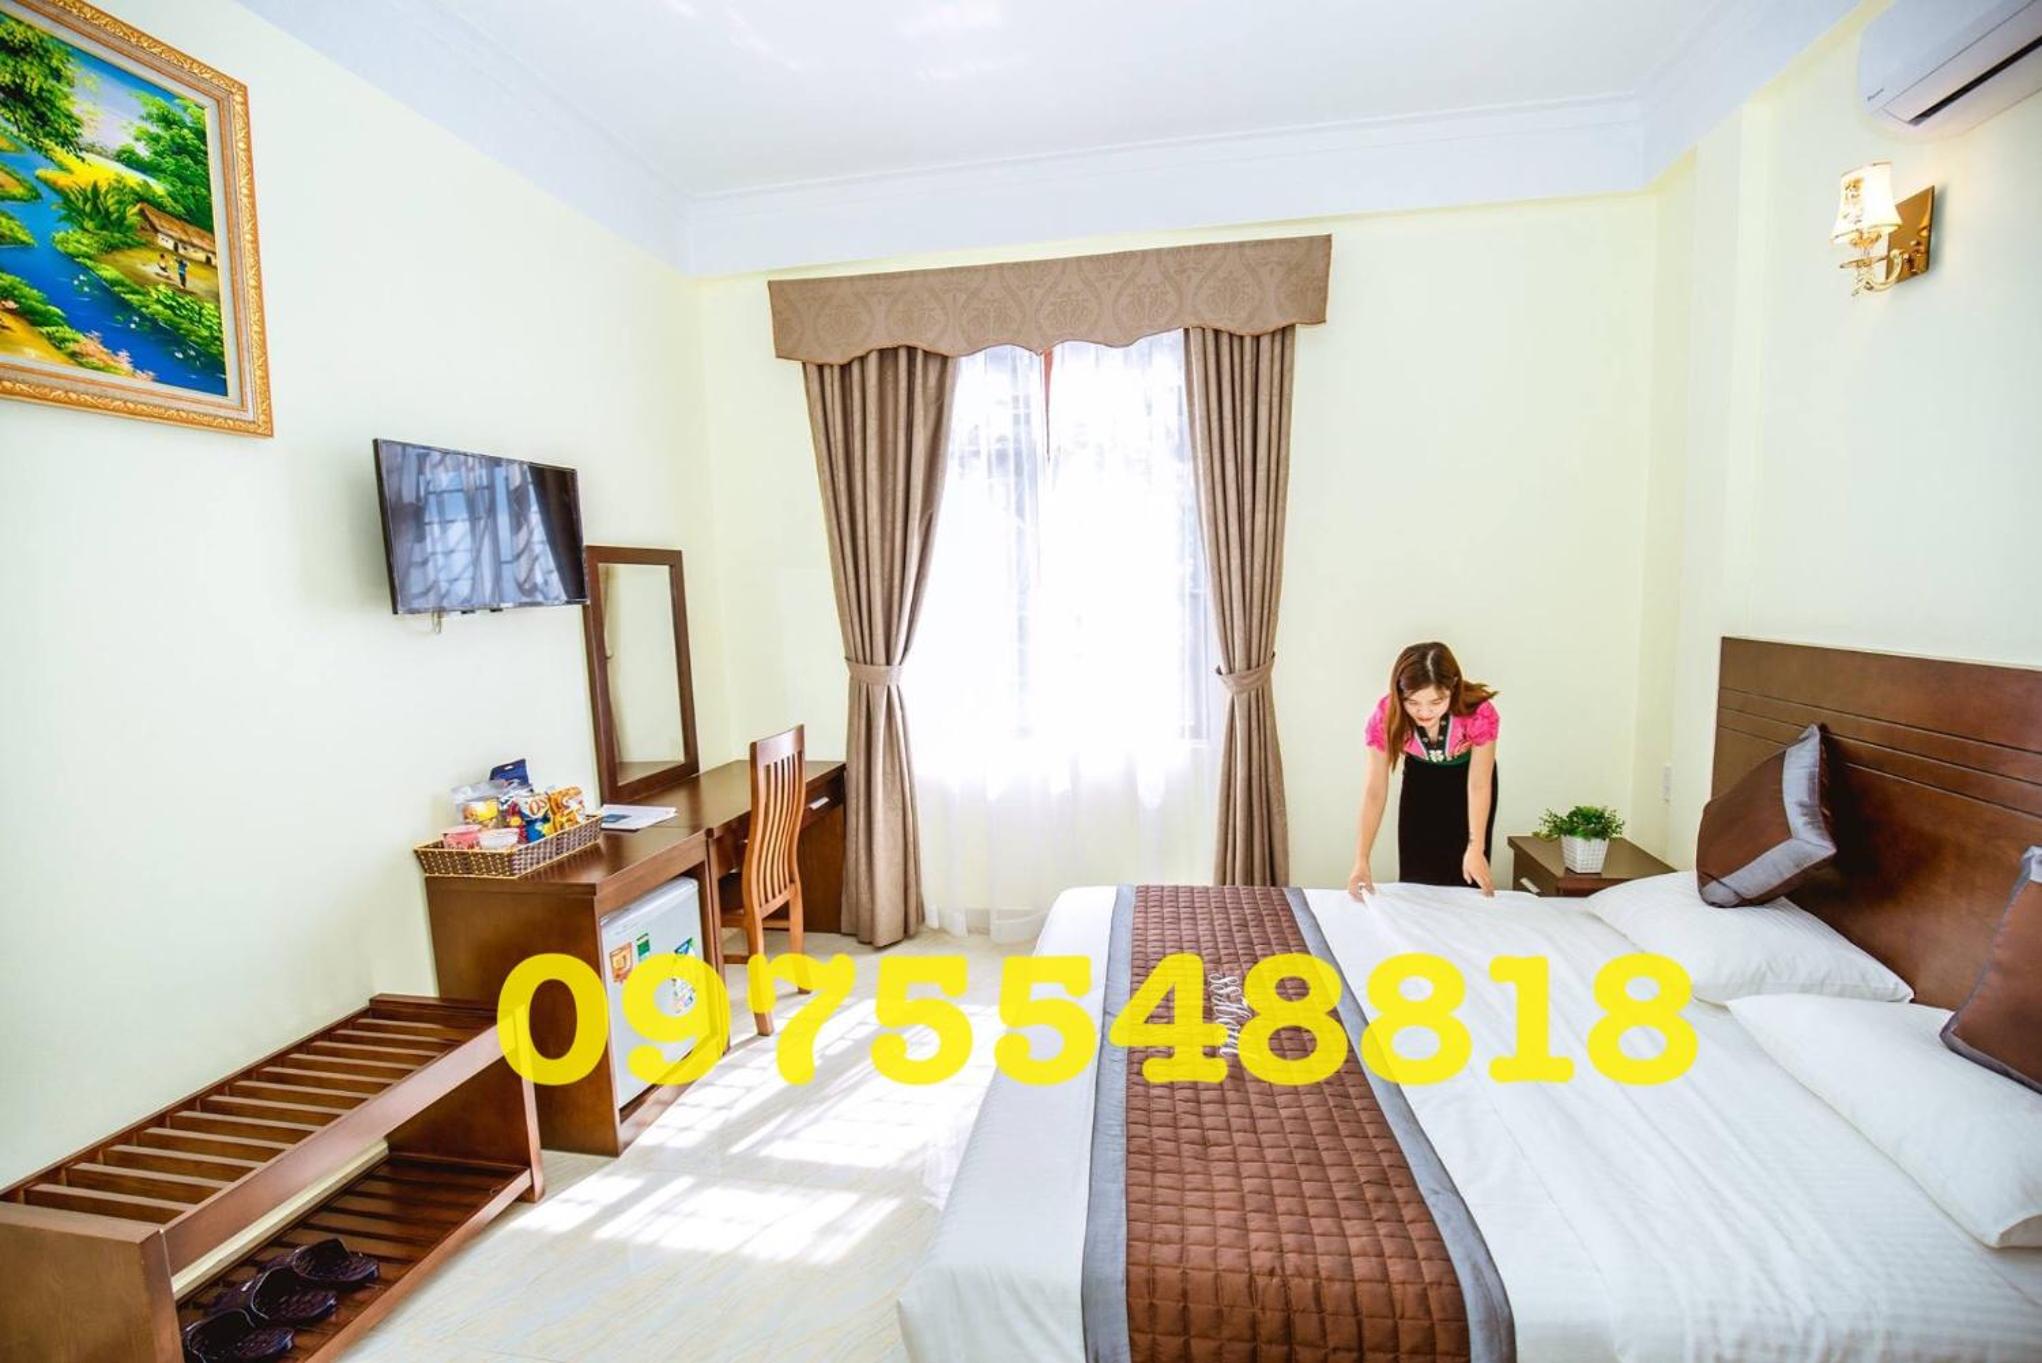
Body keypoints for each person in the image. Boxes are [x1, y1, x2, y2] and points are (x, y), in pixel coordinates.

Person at [1348, 641, 1499, 898]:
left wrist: (1476, 847)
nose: (1424, 712)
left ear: (1453, 687)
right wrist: (1361, 860)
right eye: (1413, 702)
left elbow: (1479, 784)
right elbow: (1374, 791)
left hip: (1468, 783)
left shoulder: (1479, 713)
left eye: (1436, 701)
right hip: (1421, 781)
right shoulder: (1385, 716)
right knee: (1417, 877)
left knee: (1467, 876)